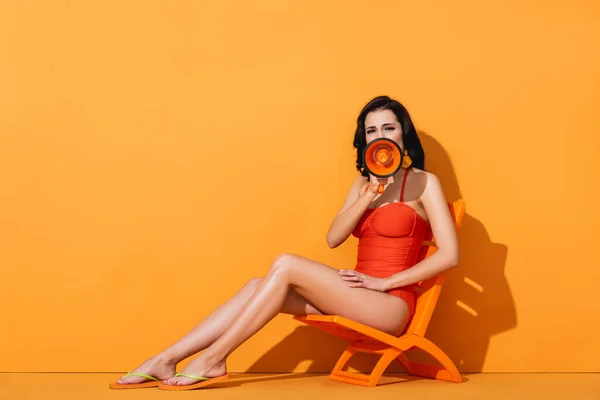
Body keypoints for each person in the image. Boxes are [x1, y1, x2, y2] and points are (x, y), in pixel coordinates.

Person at [110, 95, 459, 390]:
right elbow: (334, 238)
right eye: (371, 130)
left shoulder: (425, 182)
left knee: (286, 264)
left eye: (388, 127)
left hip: (389, 305)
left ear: (403, 133)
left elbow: (450, 254)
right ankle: (165, 359)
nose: (380, 135)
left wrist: (384, 282)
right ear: (364, 140)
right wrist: (366, 196)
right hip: (356, 293)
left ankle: (213, 359)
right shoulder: (362, 184)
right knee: (257, 286)